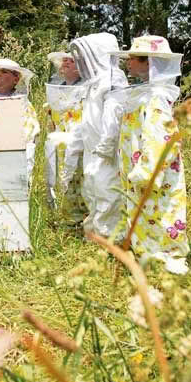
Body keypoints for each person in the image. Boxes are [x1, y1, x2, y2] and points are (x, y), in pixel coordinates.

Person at [115, 35, 189, 274]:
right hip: (138, 170)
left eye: (134, 58)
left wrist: (148, 170)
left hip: (153, 173)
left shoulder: (156, 98)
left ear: (149, 62)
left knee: (161, 210)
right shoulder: (143, 94)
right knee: (142, 210)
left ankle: (168, 254)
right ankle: (145, 252)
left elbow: (161, 138)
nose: (128, 62)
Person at [60, 33, 127, 237]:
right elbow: (86, 120)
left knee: (108, 193)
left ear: (97, 54)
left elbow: (113, 117)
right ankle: (96, 234)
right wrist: (75, 147)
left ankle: (112, 240)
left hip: (107, 154)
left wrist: (106, 147)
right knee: (92, 190)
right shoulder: (93, 83)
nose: (81, 60)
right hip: (93, 150)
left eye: (84, 55)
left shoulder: (113, 80)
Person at [44, 51, 87, 225]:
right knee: (56, 177)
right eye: (65, 60)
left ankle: (82, 219)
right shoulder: (58, 87)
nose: (66, 63)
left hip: (77, 142)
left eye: (72, 61)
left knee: (79, 178)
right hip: (57, 142)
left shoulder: (86, 88)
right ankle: (65, 217)